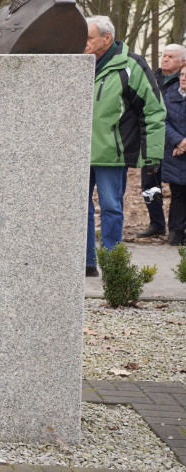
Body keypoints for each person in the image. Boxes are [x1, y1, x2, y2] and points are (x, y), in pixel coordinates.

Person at [84, 15, 165, 277]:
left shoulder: (131, 66)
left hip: (111, 154)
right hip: (77, 155)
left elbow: (153, 111)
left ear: (107, 38)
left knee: (111, 207)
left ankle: (112, 264)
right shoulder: (76, 64)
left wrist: (152, 155)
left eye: (88, 38)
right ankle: (85, 262)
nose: (83, 43)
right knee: (78, 209)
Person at [136, 44, 186, 239]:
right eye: (164, 55)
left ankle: (177, 229)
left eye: (171, 57)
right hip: (152, 140)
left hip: (175, 146)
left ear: (182, 62)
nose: (165, 59)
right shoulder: (151, 78)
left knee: (178, 189)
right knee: (150, 185)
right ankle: (156, 223)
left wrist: (179, 142)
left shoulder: (181, 83)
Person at [161, 60, 186, 246]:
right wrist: (179, 141)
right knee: (177, 193)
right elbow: (163, 120)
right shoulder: (170, 94)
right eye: (182, 75)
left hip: (180, 150)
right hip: (176, 153)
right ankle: (176, 234)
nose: (184, 78)